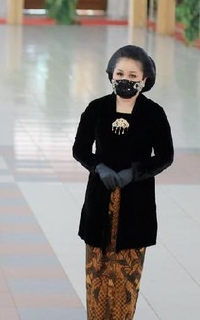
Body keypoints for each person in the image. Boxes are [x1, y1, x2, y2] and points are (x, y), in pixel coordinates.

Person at [72, 45, 173, 319]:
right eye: (119, 73)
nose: (125, 79)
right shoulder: (97, 109)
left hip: (135, 204)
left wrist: (135, 172)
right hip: (99, 201)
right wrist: (98, 166)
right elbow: (80, 149)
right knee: (97, 275)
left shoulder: (154, 114)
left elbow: (166, 156)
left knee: (126, 280)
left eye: (132, 74)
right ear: (111, 75)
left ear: (144, 79)